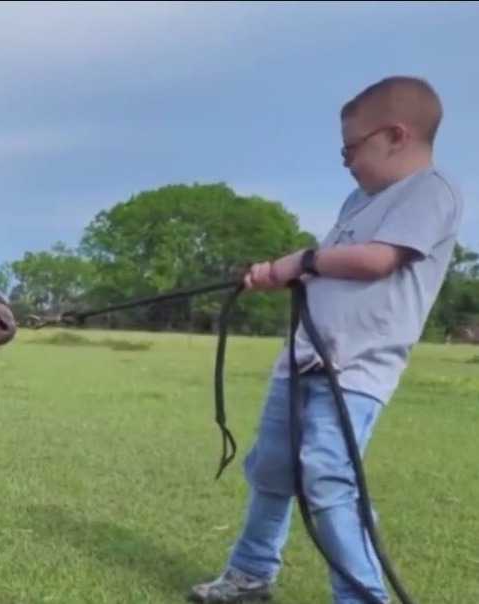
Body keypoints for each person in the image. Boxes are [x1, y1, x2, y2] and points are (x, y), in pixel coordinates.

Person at [187, 75, 465, 604]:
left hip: (354, 372)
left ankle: (362, 597)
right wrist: (280, 274)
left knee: (328, 485)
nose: (346, 159)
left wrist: (305, 260)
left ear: (395, 136)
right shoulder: (357, 202)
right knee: (270, 470)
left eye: (351, 147)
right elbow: (335, 265)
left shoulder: (433, 188)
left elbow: (378, 260)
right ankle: (250, 574)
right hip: (302, 361)